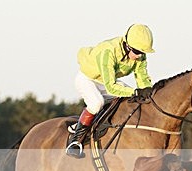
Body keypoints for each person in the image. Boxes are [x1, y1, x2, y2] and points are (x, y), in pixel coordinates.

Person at [66, 24, 155, 158]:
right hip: (87, 79)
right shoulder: (108, 51)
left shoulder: (139, 55)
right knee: (96, 103)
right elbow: (111, 87)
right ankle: (75, 142)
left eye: (143, 53)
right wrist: (135, 92)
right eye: (137, 52)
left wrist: (147, 91)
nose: (139, 56)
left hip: (105, 81)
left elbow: (142, 78)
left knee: (130, 100)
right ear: (127, 45)